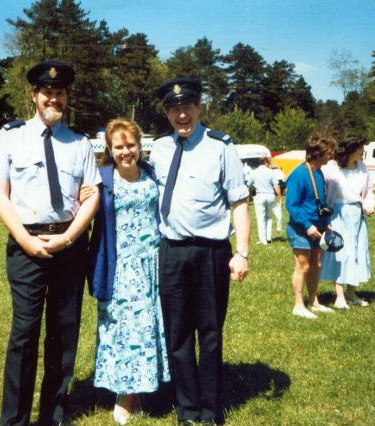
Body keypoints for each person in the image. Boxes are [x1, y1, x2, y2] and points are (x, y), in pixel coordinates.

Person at [0, 60, 101, 426]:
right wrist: (24, 239)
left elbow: (92, 194)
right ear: (34, 95)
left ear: (67, 98)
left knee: (64, 333)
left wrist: (67, 237)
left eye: (60, 93)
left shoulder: (80, 143)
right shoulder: (11, 136)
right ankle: (14, 420)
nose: (54, 98)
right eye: (47, 92)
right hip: (25, 244)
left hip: (69, 244)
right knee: (24, 333)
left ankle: (54, 415)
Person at [149, 77, 250, 425]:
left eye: (187, 107)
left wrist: (243, 252)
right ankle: (187, 409)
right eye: (174, 108)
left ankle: (210, 409)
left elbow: (239, 202)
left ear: (199, 107)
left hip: (211, 253)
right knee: (177, 334)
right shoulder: (159, 149)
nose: (181, 114)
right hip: (172, 252)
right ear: (166, 112)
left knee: (209, 332)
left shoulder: (221, 147)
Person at [87, 118, 170, 425]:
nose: (126, 152)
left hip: (153, 263)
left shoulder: (151, 174)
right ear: (109, 149)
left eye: (131, 145)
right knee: (123, 329)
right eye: (119, 147)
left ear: (140, 146)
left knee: (150, 326)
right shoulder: (103, 180)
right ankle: (124, 392)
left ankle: (146, 386)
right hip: (119, 266)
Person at [319, 136, 375, 309]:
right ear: (351, 150)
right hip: (338, 214)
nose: (363, 151)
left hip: (357, 215)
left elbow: (369, 191)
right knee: (342, 254)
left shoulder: (363, 167)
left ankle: (352, 292)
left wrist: (368, 204)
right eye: (360, 148)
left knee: (358, 252)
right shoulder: (332, 168)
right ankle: (340, 296)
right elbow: (322, 189)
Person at [285, 136, 336, 319]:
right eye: (328, 153)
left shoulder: (319, 172)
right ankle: (298, 305)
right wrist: (307, 225)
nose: (331, 156)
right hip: (301, 229)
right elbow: (291, 205)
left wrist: (326, 221)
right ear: (317, 153)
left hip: (318, 227)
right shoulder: (299, 174)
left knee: (316, 264)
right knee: (303, 266)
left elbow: (319, 200)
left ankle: (314, 302)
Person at [249, 157, 281, 245]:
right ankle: (269, 237)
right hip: (270, 196)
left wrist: (250, 196)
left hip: (259, 196)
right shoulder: (271, 172)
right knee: (269, 217)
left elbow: (248, 185)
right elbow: (276, 186)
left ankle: (263, 240)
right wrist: (280, 198)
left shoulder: (254, 172)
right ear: (266, 162)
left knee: (261, 218)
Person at [271, 163, 286, 232]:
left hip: (275, 187)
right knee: (278, 206)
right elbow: (285, 179)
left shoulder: (271, 171)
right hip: (281, 184)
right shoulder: (280, 171)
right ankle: (279, 227)